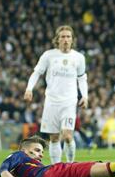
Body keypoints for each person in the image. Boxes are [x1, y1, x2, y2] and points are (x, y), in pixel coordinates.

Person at [24, 25, 88, 164]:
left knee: (67, 135)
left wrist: (85, 96)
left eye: (68, 37)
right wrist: (29, 89)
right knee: (53, 138)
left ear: (72, 39)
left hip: (69, 102)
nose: (65, 39)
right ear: (57, 39)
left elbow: (82, 78)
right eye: (63, 37)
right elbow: (37, 73)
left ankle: (70, 165)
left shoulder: (78, 57)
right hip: (51, 101)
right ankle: (56, 169)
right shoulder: (49, 55)